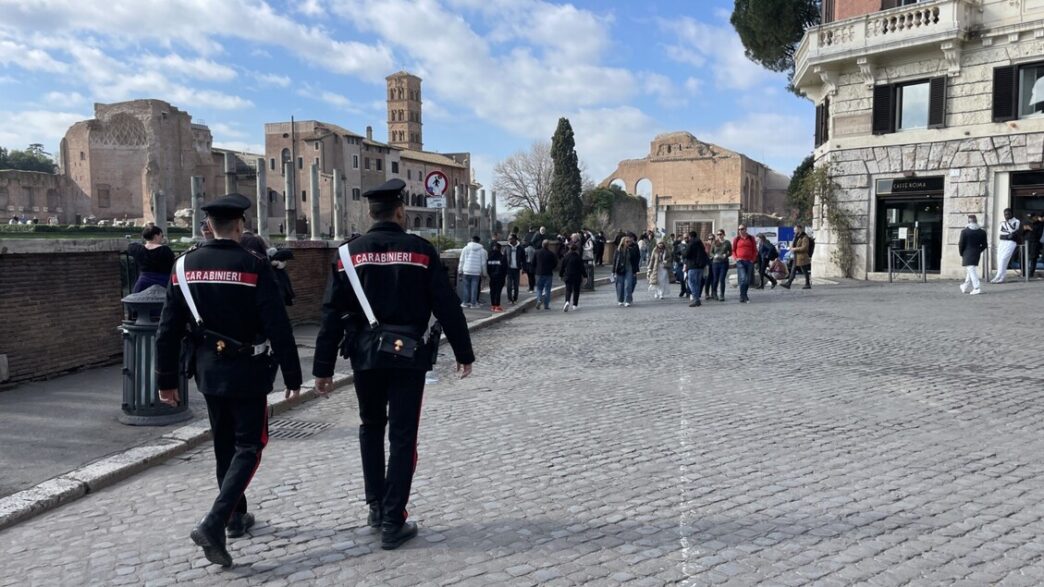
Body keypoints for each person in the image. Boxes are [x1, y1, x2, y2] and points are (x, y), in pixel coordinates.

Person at [312, 179, 474, 551]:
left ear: (370, 213)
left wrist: (321, 368)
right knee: (402, 437)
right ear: (401, 211)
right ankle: (392, 518)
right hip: (408, 357)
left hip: (365, 356)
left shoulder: (348, 254)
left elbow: (330, 314)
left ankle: (374, 505)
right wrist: (464, 353)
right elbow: (446, 304)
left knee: (370, 427)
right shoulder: (420, 250)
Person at [155, 194, 302, 568]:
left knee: (224, 445)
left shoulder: (183, 266)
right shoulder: (253, 266)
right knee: (250, 445)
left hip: (206, 370)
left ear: (208, 227)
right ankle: (215, 520)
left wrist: (165, 378)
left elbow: (167, 329)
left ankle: (236, 516)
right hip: (249, 371)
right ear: (239, 226)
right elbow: (277, 324)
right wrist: (293, 373)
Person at [128, 224, 175, 293]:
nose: (162, 238)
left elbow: (130, 246)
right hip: (163, 282)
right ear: (156, 236)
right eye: (161, 236)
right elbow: (173, 264)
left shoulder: (138, 249)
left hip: (143, 281)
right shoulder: (165, 250)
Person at [958, 214, 987, 295]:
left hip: (967, 252)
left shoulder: (964, 232)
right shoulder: (982, 232)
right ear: (976, 221)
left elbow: (961, 244)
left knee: (971, 270)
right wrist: (978, 250)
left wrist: (961, 253)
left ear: (968, 221)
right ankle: (965, 285)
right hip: (977, 253)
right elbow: (985, 245)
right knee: (970, 269)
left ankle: (976, 287)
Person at [991, 208, 1021, 283]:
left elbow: (1013, 230)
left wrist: (1007, 224)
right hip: (1002, 242)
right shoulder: (1002, 222)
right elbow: (1000, 233)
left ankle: (998, 275)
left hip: (1011, 242)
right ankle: (1002, 277)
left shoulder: (1016, 221)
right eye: (1005, 214)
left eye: (1008, 214)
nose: (1006, 216)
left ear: (1011, 214)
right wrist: (1008, 235)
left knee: (1004, 259)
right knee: (999, 258)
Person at [457, 235, 487, 308]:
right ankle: (473, 304)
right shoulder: (482, 251)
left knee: (466, 287)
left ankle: (465, 302)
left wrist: (460, 270)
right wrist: (484, 273)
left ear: (471, 240)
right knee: (474, 288)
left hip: (466, 270)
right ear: (479, 241)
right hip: (476, 272)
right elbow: (483, 263)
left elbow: (461, 260)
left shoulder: (465, 248)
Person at [781, 225, 812, 290]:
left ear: (799, 229)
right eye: (794, 230)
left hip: (801, 257)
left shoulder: (804, 237)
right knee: (793, 270)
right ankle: (788, 283)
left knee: (804, 270)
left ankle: (807, 284)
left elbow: (805, 248)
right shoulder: (796, 237)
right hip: (796, 256)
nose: (794, 231)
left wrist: (795, 249)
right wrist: (791, 247)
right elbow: (793, 245)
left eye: (795, 230)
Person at [732, 225, 757, 303]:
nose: (740, 230)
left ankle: (743, 295)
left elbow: (755, 250)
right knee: (743, 278)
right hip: (740, 261)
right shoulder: (737, 239)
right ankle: (743, 296)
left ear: (746, 229)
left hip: (749, 261)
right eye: (739, 229)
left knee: (747, 280)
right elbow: (733, 250)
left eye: (742, 229)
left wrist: (753, 260)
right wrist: (736, 258)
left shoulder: (751, 238)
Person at [612, 236, 640, 307]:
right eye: (627, 242)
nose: (628, 243)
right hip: (620, 269)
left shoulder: (631, 250)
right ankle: (620, 300)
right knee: (620, 285)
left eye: (629, 242)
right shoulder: (618, 250)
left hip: (629, 269)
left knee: (628, 285)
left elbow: (635, 260)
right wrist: (613, 271)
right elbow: (615, 261)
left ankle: (627, 300)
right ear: (623, 242)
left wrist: (635, 271)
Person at [683, 231, 709, 308]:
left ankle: (696, 299)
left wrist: (682, 251)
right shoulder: (700, 244)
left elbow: (686, 254)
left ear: (690, 237)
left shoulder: (691, 243)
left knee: (691, 282)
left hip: (693, 266)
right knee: (697, 283)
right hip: (700, 267)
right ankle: (697, 299)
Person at [559, 243, 587, 311]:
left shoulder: (566, 257)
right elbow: (582, 268)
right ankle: (575, 304)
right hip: (577, 276)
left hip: (568, 275)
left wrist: (560, 275)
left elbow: (562, 267)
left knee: (568, 290)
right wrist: (585, 276)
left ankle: (567, 301)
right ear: (576, 249)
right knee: (576, 290)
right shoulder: (578, 257)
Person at [532, 240, 558, 310]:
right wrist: (551, 268)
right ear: (548, 245)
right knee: (547, 290)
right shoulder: (551, 254)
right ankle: (546, 305)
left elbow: (533, 262)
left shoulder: (537, 252)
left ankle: (539, 300)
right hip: (548, 273)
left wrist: (536, 269)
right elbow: (555, 263)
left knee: (539, 289)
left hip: (539, 273)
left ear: (542, 245)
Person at [503, 233, 526, 305]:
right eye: (508, 239)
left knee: (516, 285)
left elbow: (523, 259)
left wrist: (524, 268)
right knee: (509, 285)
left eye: (510, 239)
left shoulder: (520, 248)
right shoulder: (506, 247)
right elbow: (503, 259)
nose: (509, 240)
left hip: (516, 269)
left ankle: (515, 298)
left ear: (515, 239)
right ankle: (510, 299)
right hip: (509, 269)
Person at [709, 229, 732, 302]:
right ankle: (714, 293)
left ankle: (722, 294)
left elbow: (731, 252)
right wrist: (714, 256)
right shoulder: (715, 242)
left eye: (721, 234)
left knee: (722, 279)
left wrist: (727, 254)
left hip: (724, 263)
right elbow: (710, 253)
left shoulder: (727, 242)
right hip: (715, 263)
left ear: (724, 234)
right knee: (715, 279)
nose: (719, 235)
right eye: (718, 234)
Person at [486, 242, 506, 312]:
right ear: (500, 249)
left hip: (492, 277)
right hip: (500, 277)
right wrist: (504, 276)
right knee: (498, 291)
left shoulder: (489, 258)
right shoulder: (502, 257)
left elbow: (487, 268)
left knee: (492, 291)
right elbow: (505, 268)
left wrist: (490, 274)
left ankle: (493, 306)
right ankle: (497, 306)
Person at [1026, 213, 1043, 279]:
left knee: (1033, 259)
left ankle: (1031, 273)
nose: (1031, 219)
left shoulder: (1039, 224)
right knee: (1025, 257)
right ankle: (1024, 273)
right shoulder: (1028, 223)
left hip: (1035, 243)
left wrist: (1031, 229)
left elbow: (1038, 235)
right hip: (1027, 243)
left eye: (1032, 218)